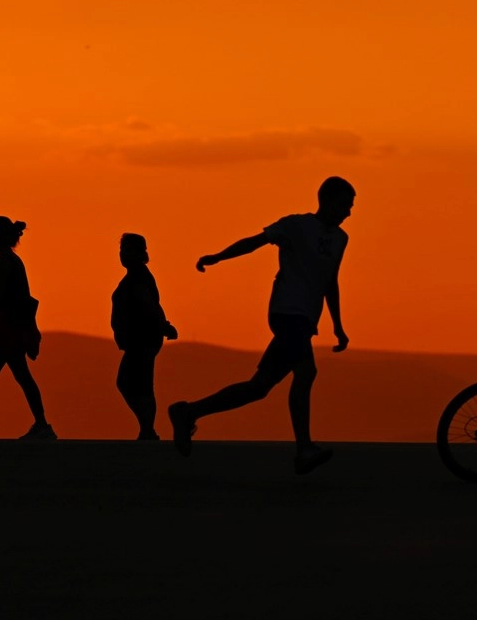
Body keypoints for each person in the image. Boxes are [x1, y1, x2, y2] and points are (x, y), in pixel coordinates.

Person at [167, 176, 355, 474]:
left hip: (305, 319)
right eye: (344, 205)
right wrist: (218, 257)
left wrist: (338, 326)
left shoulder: (340, 239)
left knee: (259, 387)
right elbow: (255, 242)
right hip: (287, 313)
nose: (348, 212)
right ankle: (304, 448)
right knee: (306, 372)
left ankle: (188, 412)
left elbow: (330, 281)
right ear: (327, 201)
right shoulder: (296, 225)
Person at [0, 217, 54, 440]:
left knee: (1, 374)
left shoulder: (5, 263)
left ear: (1, 236)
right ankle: (41, 424)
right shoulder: (10, 261)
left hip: (9, 331)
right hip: (10, 329)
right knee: (13, 375)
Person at [111, 233, 178, 440]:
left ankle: (148, 429)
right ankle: (147, 429)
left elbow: (149, 304)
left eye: (128, 250)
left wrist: (164, 326)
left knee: (136, 384)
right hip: (140, 339)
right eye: (122, 250)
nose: (123, 255)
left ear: (140, 253)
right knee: (135, 384)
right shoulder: (135, 276)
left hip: (143, 339)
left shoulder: (138, 277)